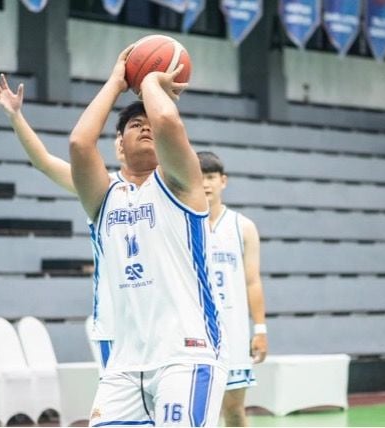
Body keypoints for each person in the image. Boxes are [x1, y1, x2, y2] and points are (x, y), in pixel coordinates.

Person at [69, 46, 227, 427]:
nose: (144, 127)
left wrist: (151, 81)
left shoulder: (182, 184)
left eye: (148, 122)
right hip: (124, 366)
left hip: (186, 354)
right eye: (133, 124)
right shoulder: (105, 198)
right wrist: (116, 81)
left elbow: (168, 120)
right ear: (119, 143)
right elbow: (79, 144)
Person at [0, 73, 117, 371]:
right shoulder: (102, 189)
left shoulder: (169, 190)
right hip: (115, 329)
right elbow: (44, 162)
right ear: (119, 145)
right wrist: (16, 117)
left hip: (166, 331)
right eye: (132, 128)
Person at [198, 151, 268, 427]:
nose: (205, 183)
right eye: (199, 177)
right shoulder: (182, 223)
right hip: (194, 331)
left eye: (210, 177)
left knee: (235, 411)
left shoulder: (243, 227)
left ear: (223, 181)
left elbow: (253, 281)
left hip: (233, 332)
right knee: (198, 412)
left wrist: (260, 330)